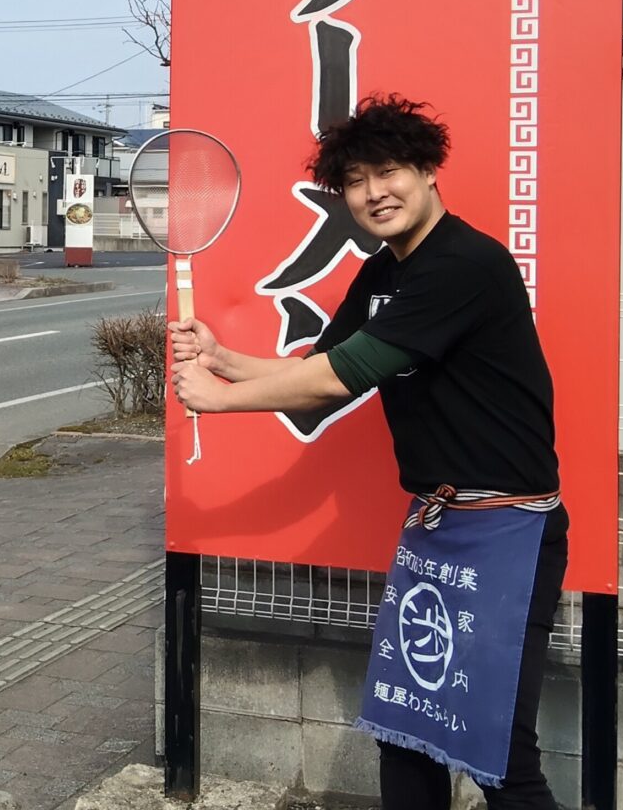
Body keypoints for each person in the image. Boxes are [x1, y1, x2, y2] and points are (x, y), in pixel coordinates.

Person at [169, 94, 567, 810]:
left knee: (499, 751)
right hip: (438, 526)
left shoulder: (465, 265)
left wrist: (217, 399)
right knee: (408, 730)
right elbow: (319, 374)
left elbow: (335, 380)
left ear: (427, 171)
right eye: (356, 180)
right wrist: (224, 359)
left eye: (389, 172)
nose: (375, 192)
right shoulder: (384, 274)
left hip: (512, 528)